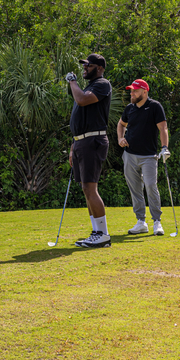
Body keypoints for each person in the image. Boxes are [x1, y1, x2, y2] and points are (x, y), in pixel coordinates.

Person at [65, 54, 112, 249]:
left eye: (88, 65)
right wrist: (73, 144)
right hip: (82, 142)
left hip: (93, 140)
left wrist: (72, 81)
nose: (85, 68)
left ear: (99, 68)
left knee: (91, 189)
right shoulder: (88, 87)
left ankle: (103, 234)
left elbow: (82, 100)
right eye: (84, 65)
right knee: (86, 189)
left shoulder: (102, 84)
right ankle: (95, 232)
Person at [117, 79, 170, 236]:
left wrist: (165, 148)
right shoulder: (129, 108)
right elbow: (121, 124)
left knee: (150, 186)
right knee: (135, 189)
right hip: (129, 154)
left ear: (144, 92)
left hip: (149, 156)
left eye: (135, 90)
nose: (131, 93)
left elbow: (163, 128)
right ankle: (141, 222)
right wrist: (120, 138)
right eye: (131, 91)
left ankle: (157, 222)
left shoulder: (154, 107)